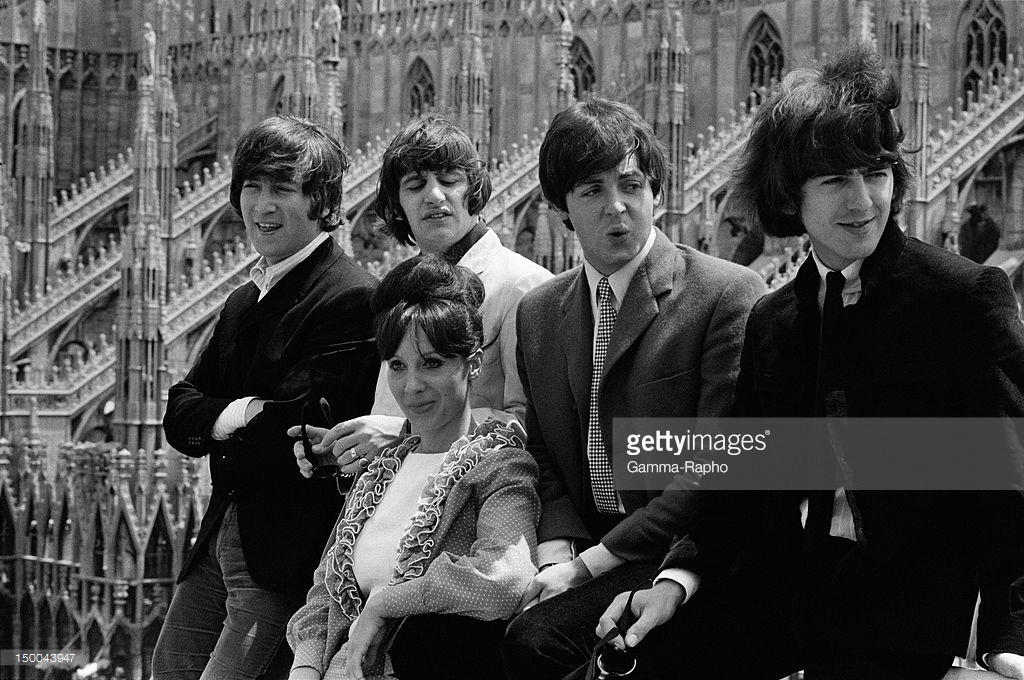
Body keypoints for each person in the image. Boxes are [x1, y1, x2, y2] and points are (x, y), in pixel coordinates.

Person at [594, 43, 1024, 680]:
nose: (864, 200)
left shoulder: (961, 298)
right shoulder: (775, 319)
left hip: (901, 609)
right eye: (835, 179)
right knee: (620, 657)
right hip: (783, 587)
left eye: (876, 172)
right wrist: (676, 579)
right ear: (790, 197)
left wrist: (1009, 635)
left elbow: (1011, 478)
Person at [501, 97, 767, 679]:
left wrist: (586, 567)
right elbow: (543, 452)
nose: (616, 208)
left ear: (659, 194)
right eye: (591, 190)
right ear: (560, 208)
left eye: (631, 184)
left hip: (680, 550)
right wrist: (556, 553)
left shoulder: (726, 295)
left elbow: (713, 465)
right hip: (582, 547)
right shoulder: (539, 311)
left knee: (537, 645)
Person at [154, 116, 380, 680]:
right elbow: (178, 414)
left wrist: (224, 421)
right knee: (169, 669)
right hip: (217, 539)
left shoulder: (351, 296)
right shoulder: (242, 299)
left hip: (285, 555)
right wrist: (242, 412)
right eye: (252, 186)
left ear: (322, 201)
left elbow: (296, 432)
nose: (262, 205)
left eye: (282, 188)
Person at [286, 255, 540, 680]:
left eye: (433, 363)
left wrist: (386, 603)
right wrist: (306, 669)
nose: (412, 385)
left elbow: (504, 578)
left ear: (473, 363)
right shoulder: (378, 472)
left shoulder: (499, 465)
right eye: (398, 366)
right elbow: (324, 595)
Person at [296, 114, 552, 479]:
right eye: (415, 185)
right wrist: (344, 447)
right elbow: (392, 414)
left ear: (473, 189)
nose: (435, 196)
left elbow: (530, 428)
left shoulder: (524, 287)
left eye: (449, 180)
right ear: (397, 203)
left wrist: (401, 434)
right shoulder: (397, 287)